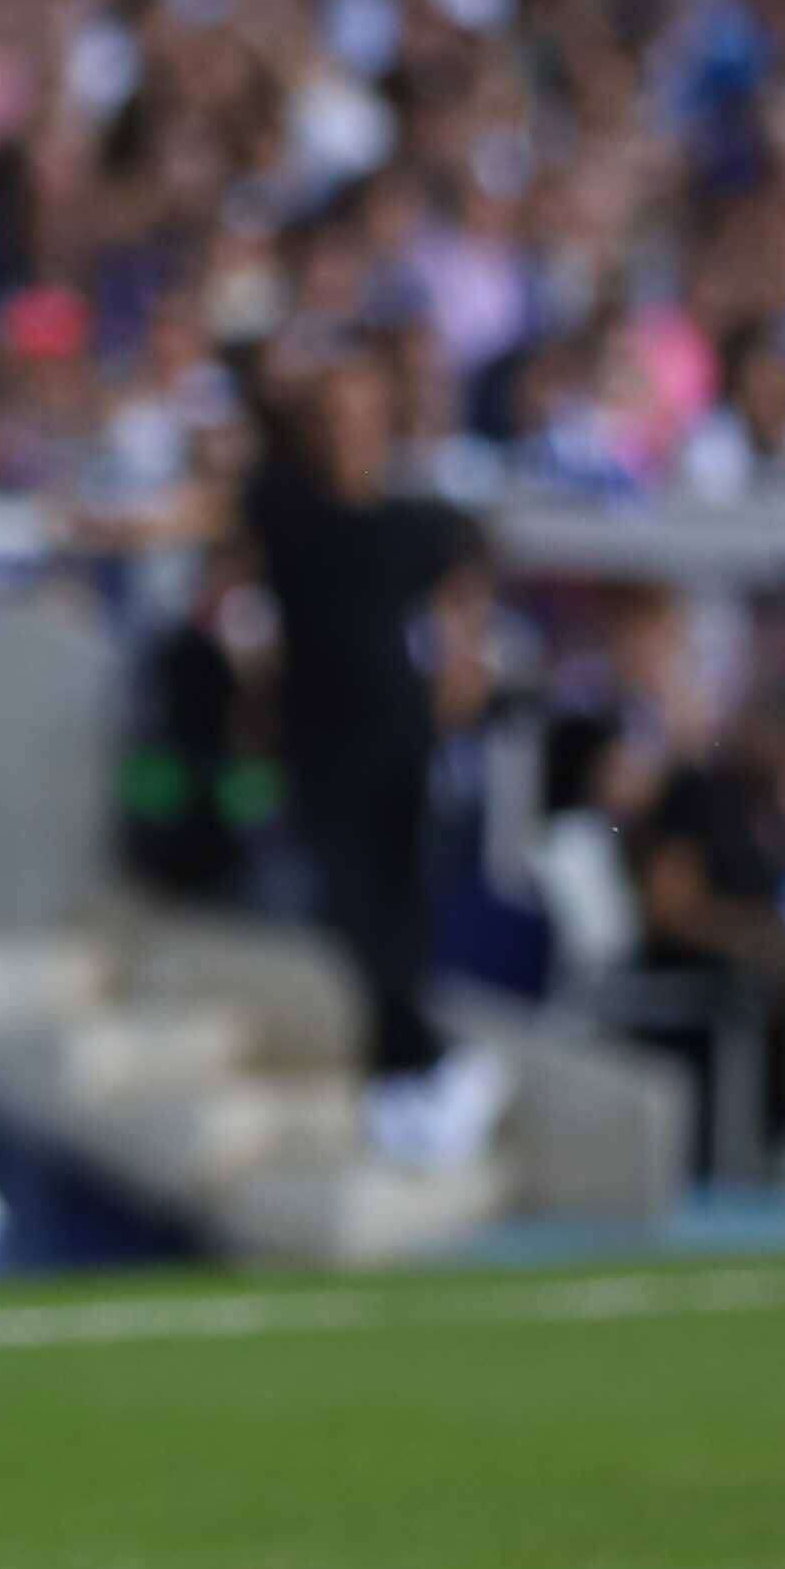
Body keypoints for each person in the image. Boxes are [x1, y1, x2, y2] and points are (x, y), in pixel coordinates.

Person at [244, 352, 506, 1170]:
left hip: (397, 745)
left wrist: (464, 658)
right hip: (319, 749)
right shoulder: (287, 508)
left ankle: (416, 1081)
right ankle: (426, 1071)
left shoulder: (411, 523)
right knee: (350, 922)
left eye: (360, 414)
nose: (345, 432)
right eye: (332, 415)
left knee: (396, 924)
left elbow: (472, 569)